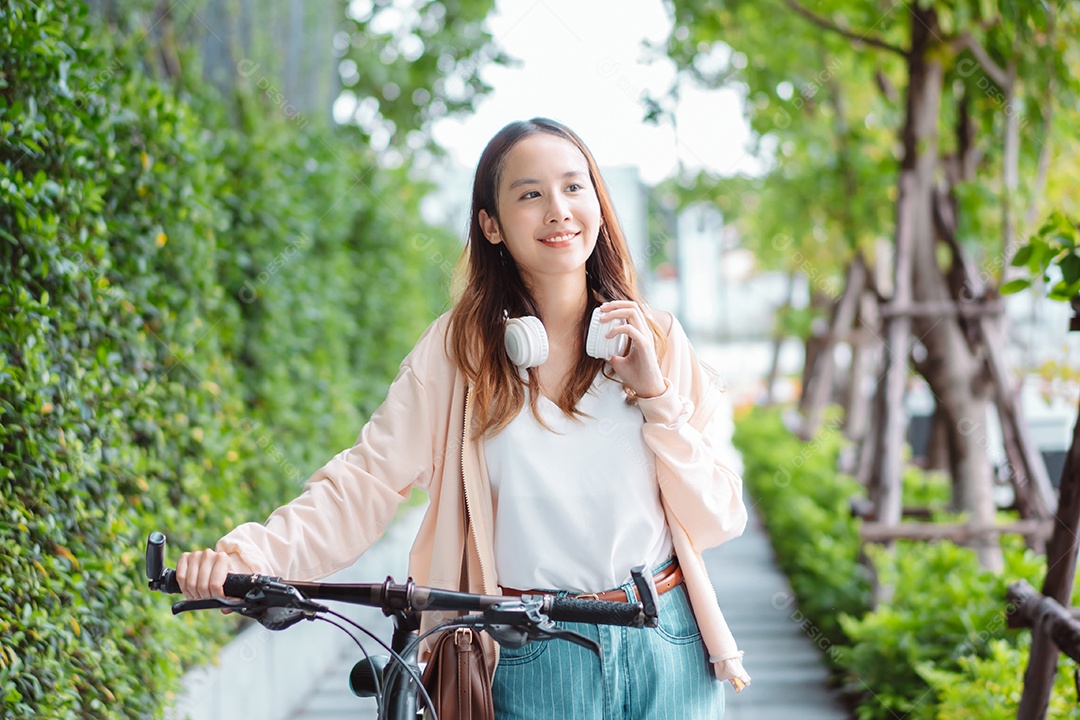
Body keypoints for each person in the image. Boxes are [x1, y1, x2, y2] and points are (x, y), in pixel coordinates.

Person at [176, 117, 751, 718]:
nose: (558, 209)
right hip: (529, 651)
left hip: (665, 638)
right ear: (491, 225)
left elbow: (718, 515)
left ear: (599, 205)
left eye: (574, 187)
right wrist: (245, 560)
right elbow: (366, 481)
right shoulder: (459, 353)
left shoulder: (653, 339)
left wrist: (656, 396)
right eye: (530, 194)